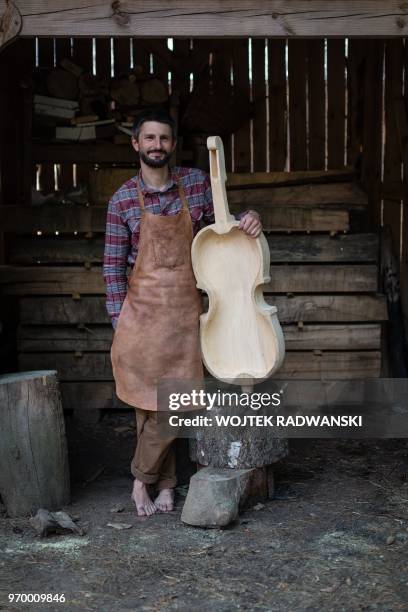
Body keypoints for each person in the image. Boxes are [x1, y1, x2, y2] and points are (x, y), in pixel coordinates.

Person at [103, 108, 262, 517]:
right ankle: (168, 487)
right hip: (140, 318)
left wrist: (247, 219)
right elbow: (111, 267)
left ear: (173, 145)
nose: (158, 145)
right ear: (136, 144)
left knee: (174, 401)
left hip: (184, 317)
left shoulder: (194, 184)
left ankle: (141, 481)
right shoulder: (122, 199)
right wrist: (120, 323)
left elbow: (222, 228)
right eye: (150, 138)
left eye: (164, 138)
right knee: (146, 404)